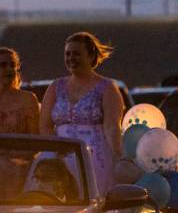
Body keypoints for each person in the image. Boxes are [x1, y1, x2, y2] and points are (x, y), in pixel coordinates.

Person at [40, 32, 124, 195]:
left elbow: (112, 127)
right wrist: (53, 152)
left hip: (95, 160)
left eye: (77, 54)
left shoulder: (107, 88)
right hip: (59, 158)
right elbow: (44, 124)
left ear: (91, 56)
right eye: (68, 54)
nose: (71, 58)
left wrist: (119, 156)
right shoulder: (56, 86)